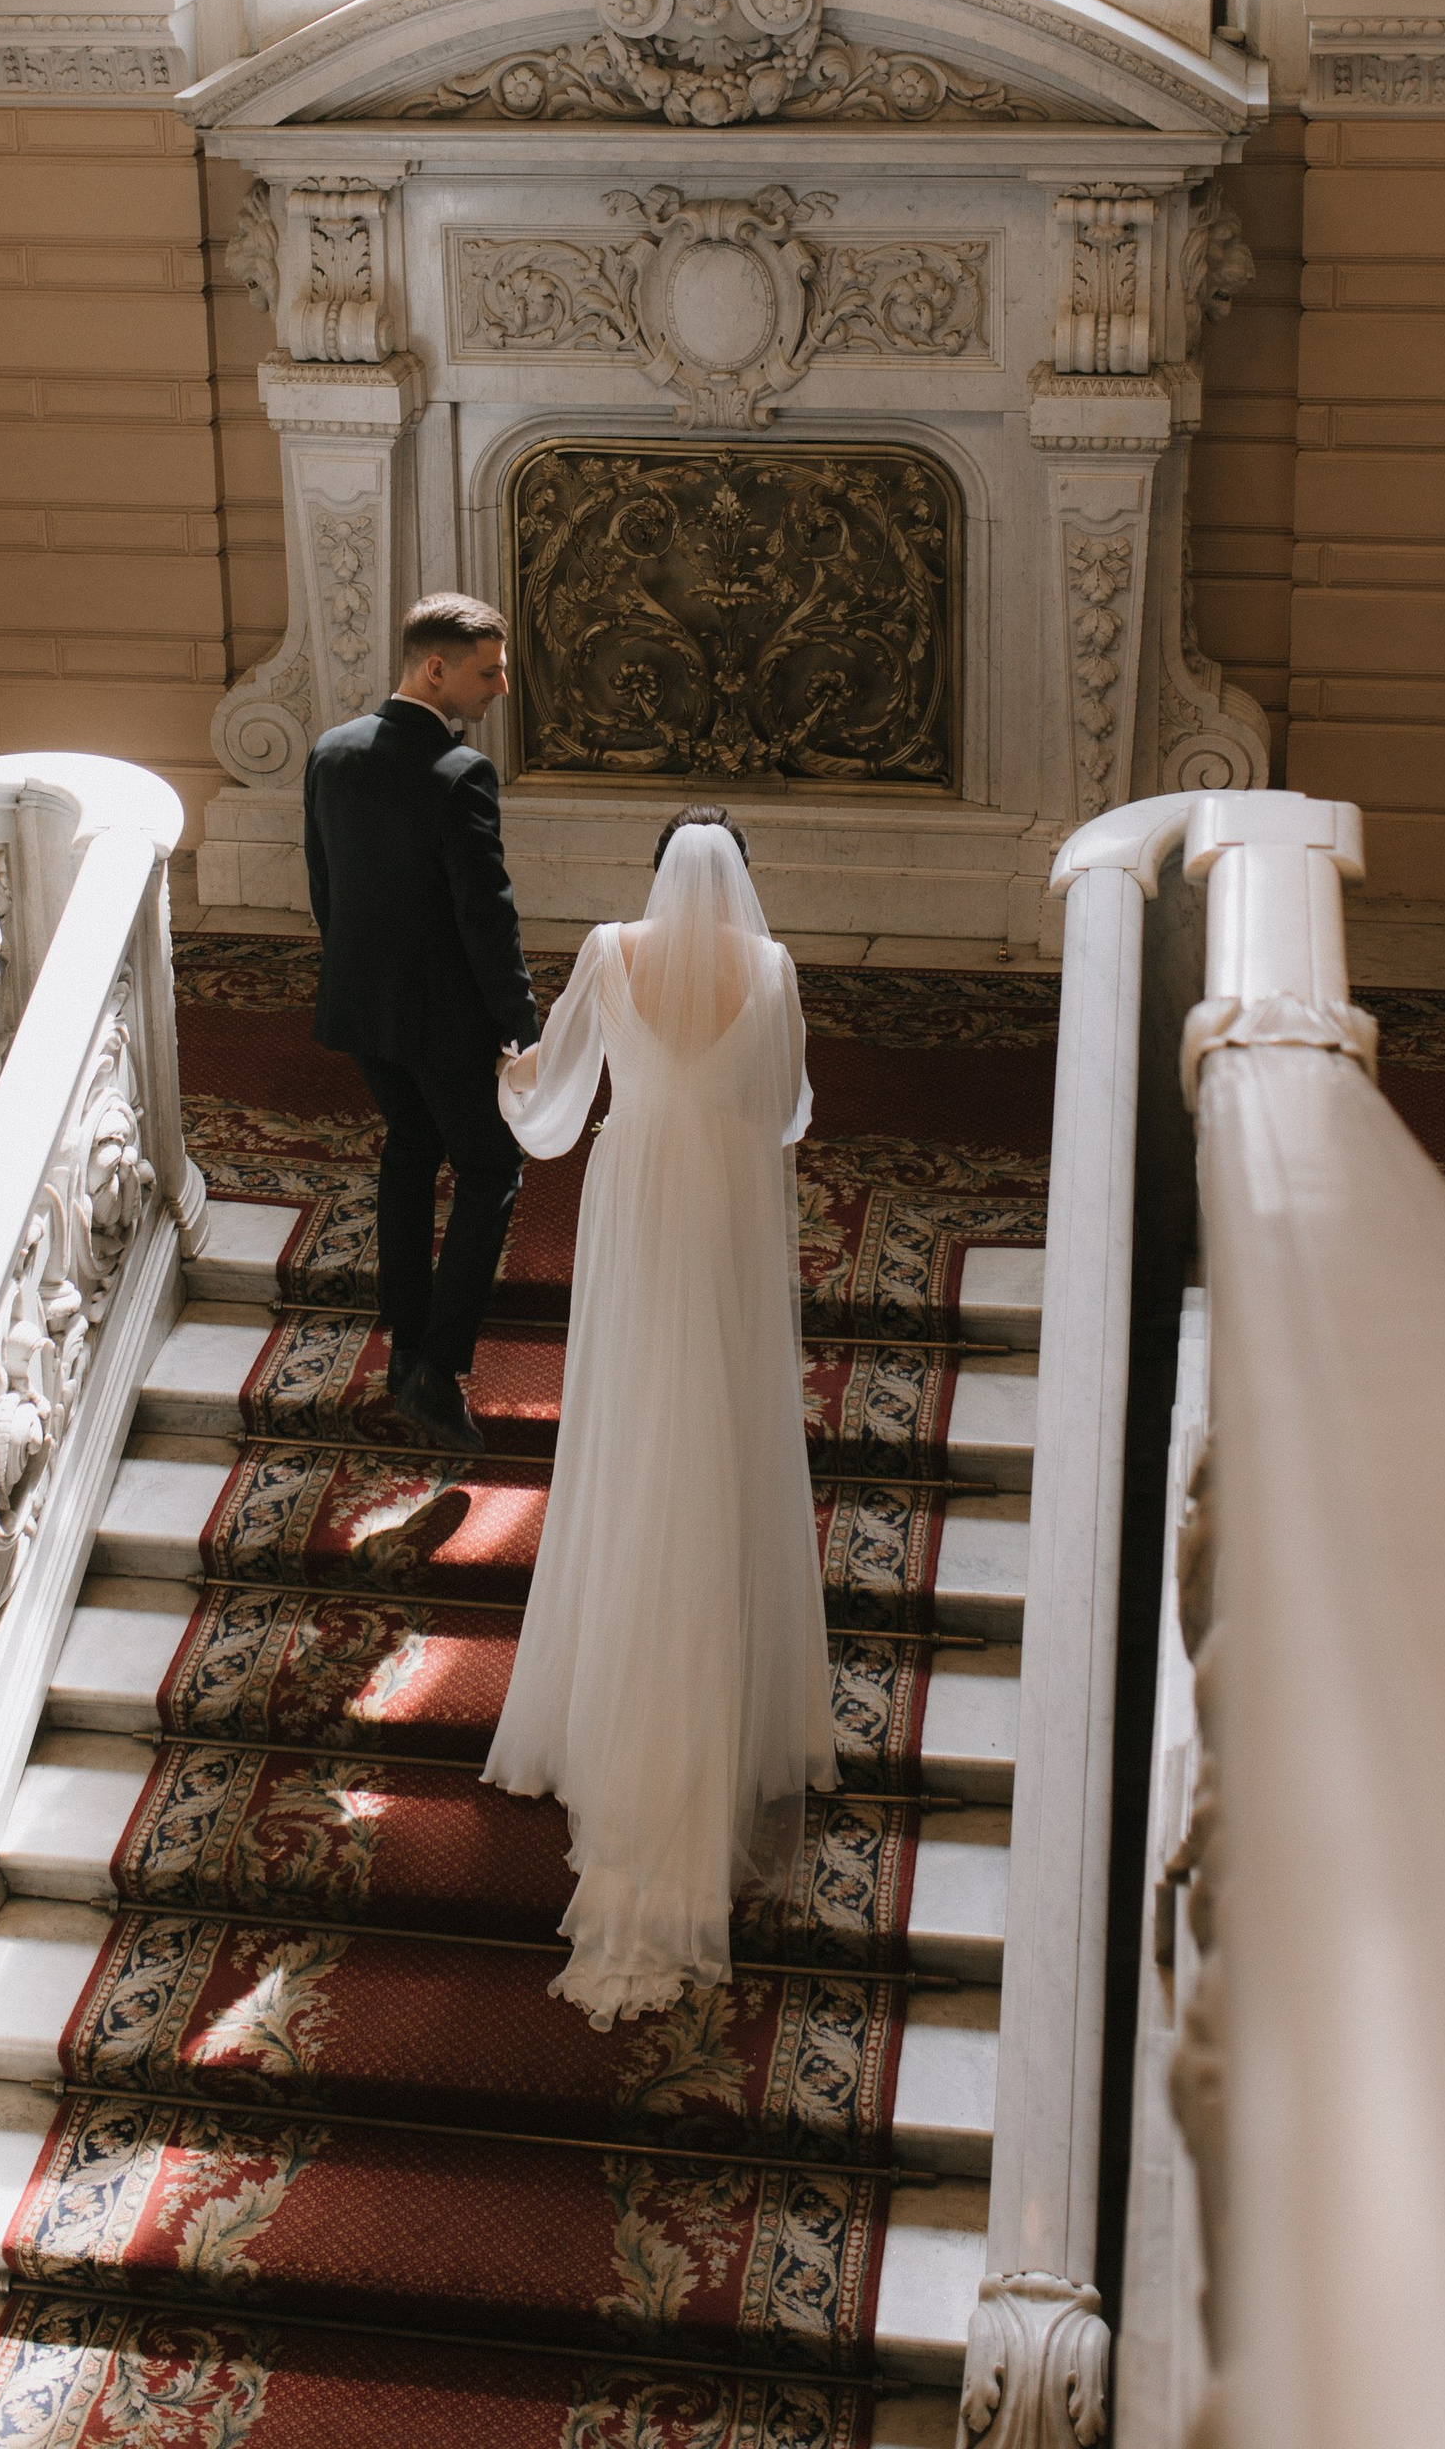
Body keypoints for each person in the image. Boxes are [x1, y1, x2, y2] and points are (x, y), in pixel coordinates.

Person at [483, 807, 836, 2023]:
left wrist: (509, 1073)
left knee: (630, 1427)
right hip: (726, 1208)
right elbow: (786, 1110)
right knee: (722, 1426)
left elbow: (551, 1099)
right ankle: (725, 1717)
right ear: (743, 884)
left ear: (652, 881)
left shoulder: (605, 947)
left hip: (635, 1200)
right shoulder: (773, 968)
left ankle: (606, 1699)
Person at [302, 590, 538, 1448]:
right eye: (489, 671)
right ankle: (436, 1368)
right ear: (434, 668)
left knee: (409, 1150)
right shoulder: (458, 774)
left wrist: (361, 978)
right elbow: (488, 914)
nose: (501, 687)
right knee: (490, 1171)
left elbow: (325, 889)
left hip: (361, 1008)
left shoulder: (332, 753)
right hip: (442, 1021)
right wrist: (523, 1025)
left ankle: (405, 1345)